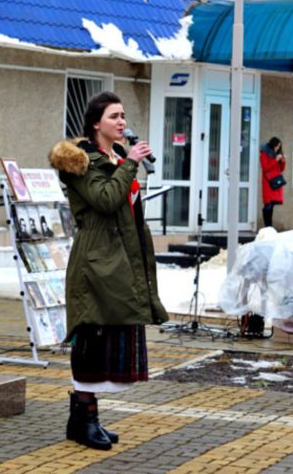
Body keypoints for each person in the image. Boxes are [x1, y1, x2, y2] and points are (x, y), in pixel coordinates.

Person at [48, 91, 169, 450]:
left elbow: (123, 205)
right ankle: (85, 421)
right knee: (92, 339)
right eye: (114, 116)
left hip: (116, 260)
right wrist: (130, 164)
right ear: (95, 122)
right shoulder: (79, 162)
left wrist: (126, 165)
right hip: (96, 263)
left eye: (124, 115)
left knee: (107, 339)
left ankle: (83, 420)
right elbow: (104, 200)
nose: (122, 122)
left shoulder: (113, 157)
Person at [259, 137, 286, 228]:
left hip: (276, 181)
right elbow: (265, 168)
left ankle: (269, 227)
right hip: (268, 182)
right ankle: (267, 226)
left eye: (279, 147)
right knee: (268, 205)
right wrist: (275, 160)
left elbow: (281, 169)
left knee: (272, 205)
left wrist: (283, 161)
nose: (278, 148)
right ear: (273, 145)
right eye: (277, 146)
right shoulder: (264, 153)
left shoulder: (277, 154)